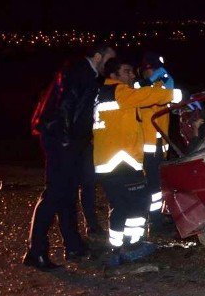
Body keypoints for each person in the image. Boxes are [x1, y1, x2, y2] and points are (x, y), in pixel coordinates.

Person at [25, 43, 116, 270]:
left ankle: (73, 245)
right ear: (97, 56)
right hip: (61, 139)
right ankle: (36, 251)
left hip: (68, 140)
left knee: (66, 194)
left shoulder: (86, 73)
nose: (110, 65)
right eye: (109, 60)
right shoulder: (79, 72)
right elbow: (65, 107)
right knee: (55, 193)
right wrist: (66, 141)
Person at [93, 57, 182, 266]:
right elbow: (146, 96)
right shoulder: (119, 92)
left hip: (108, 161)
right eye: (127, 71)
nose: (132, 75)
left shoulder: (102, 94)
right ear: (113, 75)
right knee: (136, 204)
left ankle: (119, 248)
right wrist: (175, 94)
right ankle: (129, 247)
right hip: (121, 160)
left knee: (122, 205)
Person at [136, 52, 178, 232]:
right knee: (151, 187)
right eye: (154, 69)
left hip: (160, 145)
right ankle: (154, 221)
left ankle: (157, 217)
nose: (159, 72)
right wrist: (154, 79)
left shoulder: (162, 87)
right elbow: (145, 93)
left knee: (158, 186)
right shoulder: (138, 87)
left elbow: (174, 95)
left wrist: (163, 78)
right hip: (146, 147)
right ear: (146, 70)